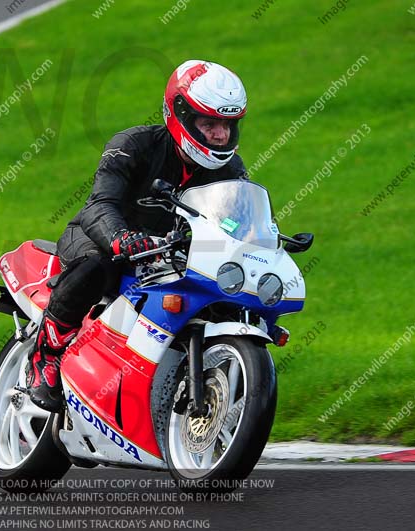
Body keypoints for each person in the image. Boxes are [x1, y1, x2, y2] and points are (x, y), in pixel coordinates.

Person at [27, 60, 250, 412]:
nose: (220, 136)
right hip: (100, 238)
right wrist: (122, 238)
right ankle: (47, 355)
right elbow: (100, 204)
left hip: (169, 258)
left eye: (227, 125)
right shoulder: (133, 144)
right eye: (209, 124)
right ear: (180, 116)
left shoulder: (231, 170)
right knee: (97, 266)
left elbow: (237, 224)